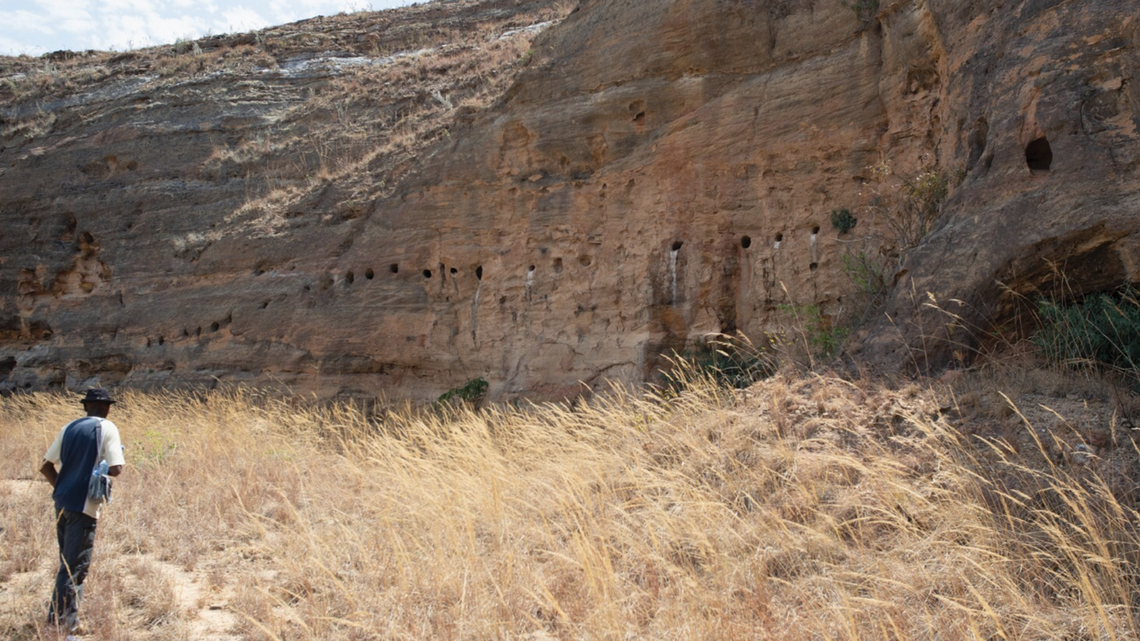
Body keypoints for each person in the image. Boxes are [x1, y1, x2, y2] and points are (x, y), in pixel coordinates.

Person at [39, 388, 125, 632]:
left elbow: (46, 467)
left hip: (62, 502)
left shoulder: (68, 428)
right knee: (75, 567)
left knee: (66, 562)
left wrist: (63, 486)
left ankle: (64, 620)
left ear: (85, 407)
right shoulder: (107, 428)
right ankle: (62, 626)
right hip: (84, 505)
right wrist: (101, 470)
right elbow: (117, 468)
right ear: (107, 407)